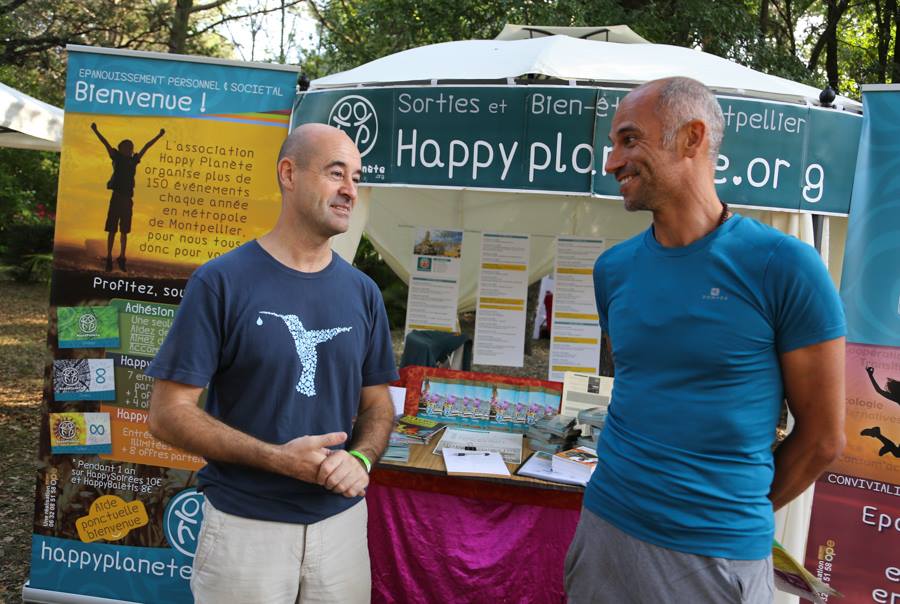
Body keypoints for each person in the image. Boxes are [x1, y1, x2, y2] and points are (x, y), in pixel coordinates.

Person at [564, 77, 846, 603]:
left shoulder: (783, 266)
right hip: (604, 531)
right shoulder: (613, 270)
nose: (611, 162)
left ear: (691, 137)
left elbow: (823, 440)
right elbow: (641, 389)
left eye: (629, 139)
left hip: (715, 559)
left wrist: (726, 515)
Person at [147, 123, 398, 603]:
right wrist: (277, 459)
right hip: (246, 531)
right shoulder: (221, 282)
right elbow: (167, 413)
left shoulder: (363, 293)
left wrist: (362, 459)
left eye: (356, 177)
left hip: (341, 527)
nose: (351, 190)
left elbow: (378, 405)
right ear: (289, 173)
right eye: (336, 173)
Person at [90, 123, 165, 272]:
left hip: (127, 199)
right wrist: (96, 131)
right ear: (121, 149)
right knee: (112, 229)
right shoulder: (116, 157)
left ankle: (122, 257)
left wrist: (159, 135)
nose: (130, 149)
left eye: (131, 147)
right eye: (127, 147)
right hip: (116, 197)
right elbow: (105, 143)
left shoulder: (134, 160)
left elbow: (146, 146)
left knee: (124, 230)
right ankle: (109, 257)